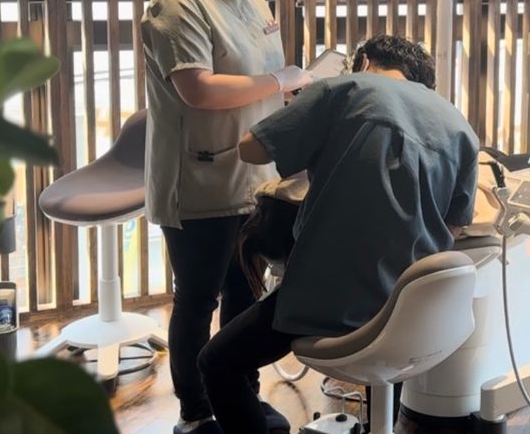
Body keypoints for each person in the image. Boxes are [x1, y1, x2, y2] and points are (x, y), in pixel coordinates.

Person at [196, 35, 481, 434]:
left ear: (363, 62)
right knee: (390, 353)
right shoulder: (459, 126)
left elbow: (250, 149)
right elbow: (454, 226)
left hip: (331, 304)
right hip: (412, 315)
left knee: (216, 363)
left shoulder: (341, 89)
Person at [141, 0, 312, 434]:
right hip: (200, 177)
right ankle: (196, 412)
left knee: (246, 296)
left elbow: (257, 75)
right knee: (198, 299)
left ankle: (242, 398)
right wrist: (278, 80)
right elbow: (199, 88)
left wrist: (289, 89)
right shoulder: (177, 1)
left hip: (255, 177)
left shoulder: (251, 0)